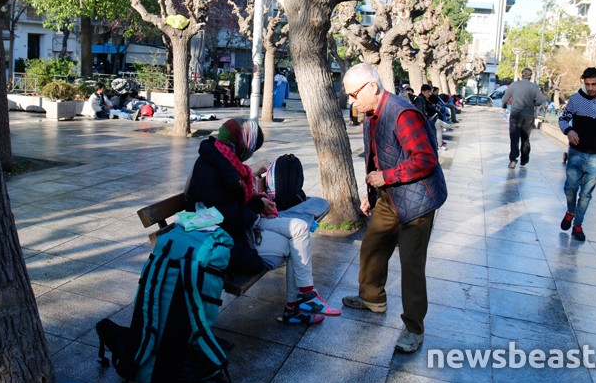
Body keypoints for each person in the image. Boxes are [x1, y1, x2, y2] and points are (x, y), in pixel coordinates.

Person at [185, 118, 340, 324]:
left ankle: (304, 298)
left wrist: (256, 199)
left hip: (241, 229)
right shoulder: (217, 170)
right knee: (295, 243)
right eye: (250, 148)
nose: (250, 154)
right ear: (241, 142)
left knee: (300, 230)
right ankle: (296, 306)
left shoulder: (223, 158)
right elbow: (232, 219)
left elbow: (235, 204)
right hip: (226, 243)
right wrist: (257, 206)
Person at [341, 63, 447, 353]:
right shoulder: (370, 115)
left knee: (411, 265)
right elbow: (375, 160)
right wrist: (371, 195)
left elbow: (425, 159)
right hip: (388, 196)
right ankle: (372, 298)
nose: (350, 101)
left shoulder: (403, 114)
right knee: (372, 245)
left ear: (371, 87)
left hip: (417, 200)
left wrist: (385, 178)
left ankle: (414, 328)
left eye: (353, 94)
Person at [558, 67, 596, 241]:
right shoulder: (576, 99)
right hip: (576, 152)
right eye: (587, 84)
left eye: (594, 84)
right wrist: (569, 130)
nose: (591, 88)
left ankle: (578, 225)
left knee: (586, 194)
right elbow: (563, 119)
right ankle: (570, 211)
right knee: (570, 188)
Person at [501, 68, 544, 168]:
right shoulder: (534, 87)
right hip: (528, 115)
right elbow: (540, 101)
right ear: (531, 76)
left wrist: (504, 105)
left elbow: (505, 99)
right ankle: (524, 160)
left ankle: (513, 160)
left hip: (515, 114)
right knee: (525, 138)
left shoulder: (514, 85)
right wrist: (533, 103)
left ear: (522, 75)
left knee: (514, 137)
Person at [414, 84, 451, 151]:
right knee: (439, 125)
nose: (430, 93)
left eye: (430, 92)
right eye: (428, 92)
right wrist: (428, 118)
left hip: (428, 118)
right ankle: (440, 142)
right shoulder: (420, 100)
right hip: (423, 121)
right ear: (423, 92)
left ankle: (439, 143)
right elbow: (420, 112)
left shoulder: (423, 98)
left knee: (438, 126)